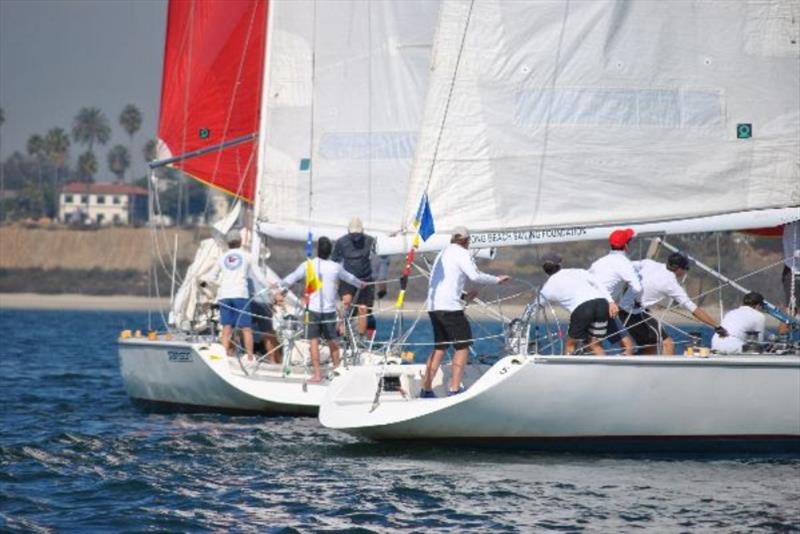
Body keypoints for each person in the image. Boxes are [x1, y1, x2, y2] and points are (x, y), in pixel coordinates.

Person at [420, 226, 509, 398]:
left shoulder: (443, 253)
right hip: (450, 308)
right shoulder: (462, 253)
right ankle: (454, 388)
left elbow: (443, 281)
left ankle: (426, 389)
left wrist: (463, 295)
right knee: (463, 346)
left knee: (440, 347)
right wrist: (497, 280)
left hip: (434, 306)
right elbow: (474, 276)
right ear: (467, 241)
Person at [280, 236, 366, 383]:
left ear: (318, 250)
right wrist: (361, 284)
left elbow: (292, 277)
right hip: (329, 311)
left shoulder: (308, 265)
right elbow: (350, 278)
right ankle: (338, 370)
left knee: (313, 341)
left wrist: (280, 286)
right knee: (333, 341)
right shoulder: (335, 267)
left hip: (312, 311)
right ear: (330, 251)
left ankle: (317, 375)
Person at [619, 252, 727, 355]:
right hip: (632, 313)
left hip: (624, 309)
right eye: (686, 268)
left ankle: (635, 368)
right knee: (668, 344)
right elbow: (693, 309)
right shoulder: (671, 284)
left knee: (650, 348)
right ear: (678, 269)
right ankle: (667, 374)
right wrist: (716, 326)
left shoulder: (649, 263)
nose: (686, 271)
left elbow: (625, 266)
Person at [205, 230, 270, 362]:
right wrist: (271, 287)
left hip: (224, 295)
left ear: (228, 243)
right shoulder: (247, 256)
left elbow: (210, 277)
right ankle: (250, 357)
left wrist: (221, 284)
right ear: (240, 242)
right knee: (246, 328)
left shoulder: (222, 258)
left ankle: (223, 357)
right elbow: (259, 276)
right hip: (240, 295)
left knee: (227, 328)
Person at [539, 252, 618, 356]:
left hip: (583, 309)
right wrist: (611, 302)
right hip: (602, 304)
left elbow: (536, 307)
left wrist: (521, 321)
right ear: (560, 264)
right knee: (595, 344)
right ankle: (605, 369)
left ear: (544, 269)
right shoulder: (577, 271)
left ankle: (568, 370)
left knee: (570, 344)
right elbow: (598, 283)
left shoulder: (547, 288)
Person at [589, 228, 642, 355]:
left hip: (592, 305)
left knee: (627, 346)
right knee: (594, 345)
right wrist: (623, 304)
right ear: (626, 245)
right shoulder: (624, 262)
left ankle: (615, 372)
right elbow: (637, 287)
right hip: (599, 308)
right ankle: (603, 373)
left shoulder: (599, 262)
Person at [779, 220, 799, 335]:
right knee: (791, 308)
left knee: (791, 308)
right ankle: (783, 337)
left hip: (791, 268)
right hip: (794, 270)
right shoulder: (792, 218)